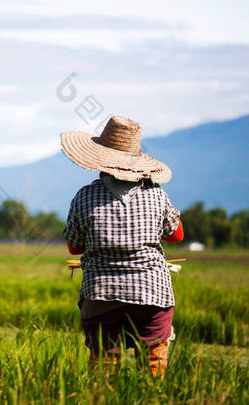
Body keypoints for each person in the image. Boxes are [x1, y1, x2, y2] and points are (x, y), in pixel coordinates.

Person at [60, 116, 184, 378]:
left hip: (100, 292)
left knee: (103, 363)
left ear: (99, 158)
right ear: (137, 158)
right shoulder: (157, 194)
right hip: (153, 291)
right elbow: (177, 235)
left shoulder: (84, 196)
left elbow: (74, 248)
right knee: (153, 360)